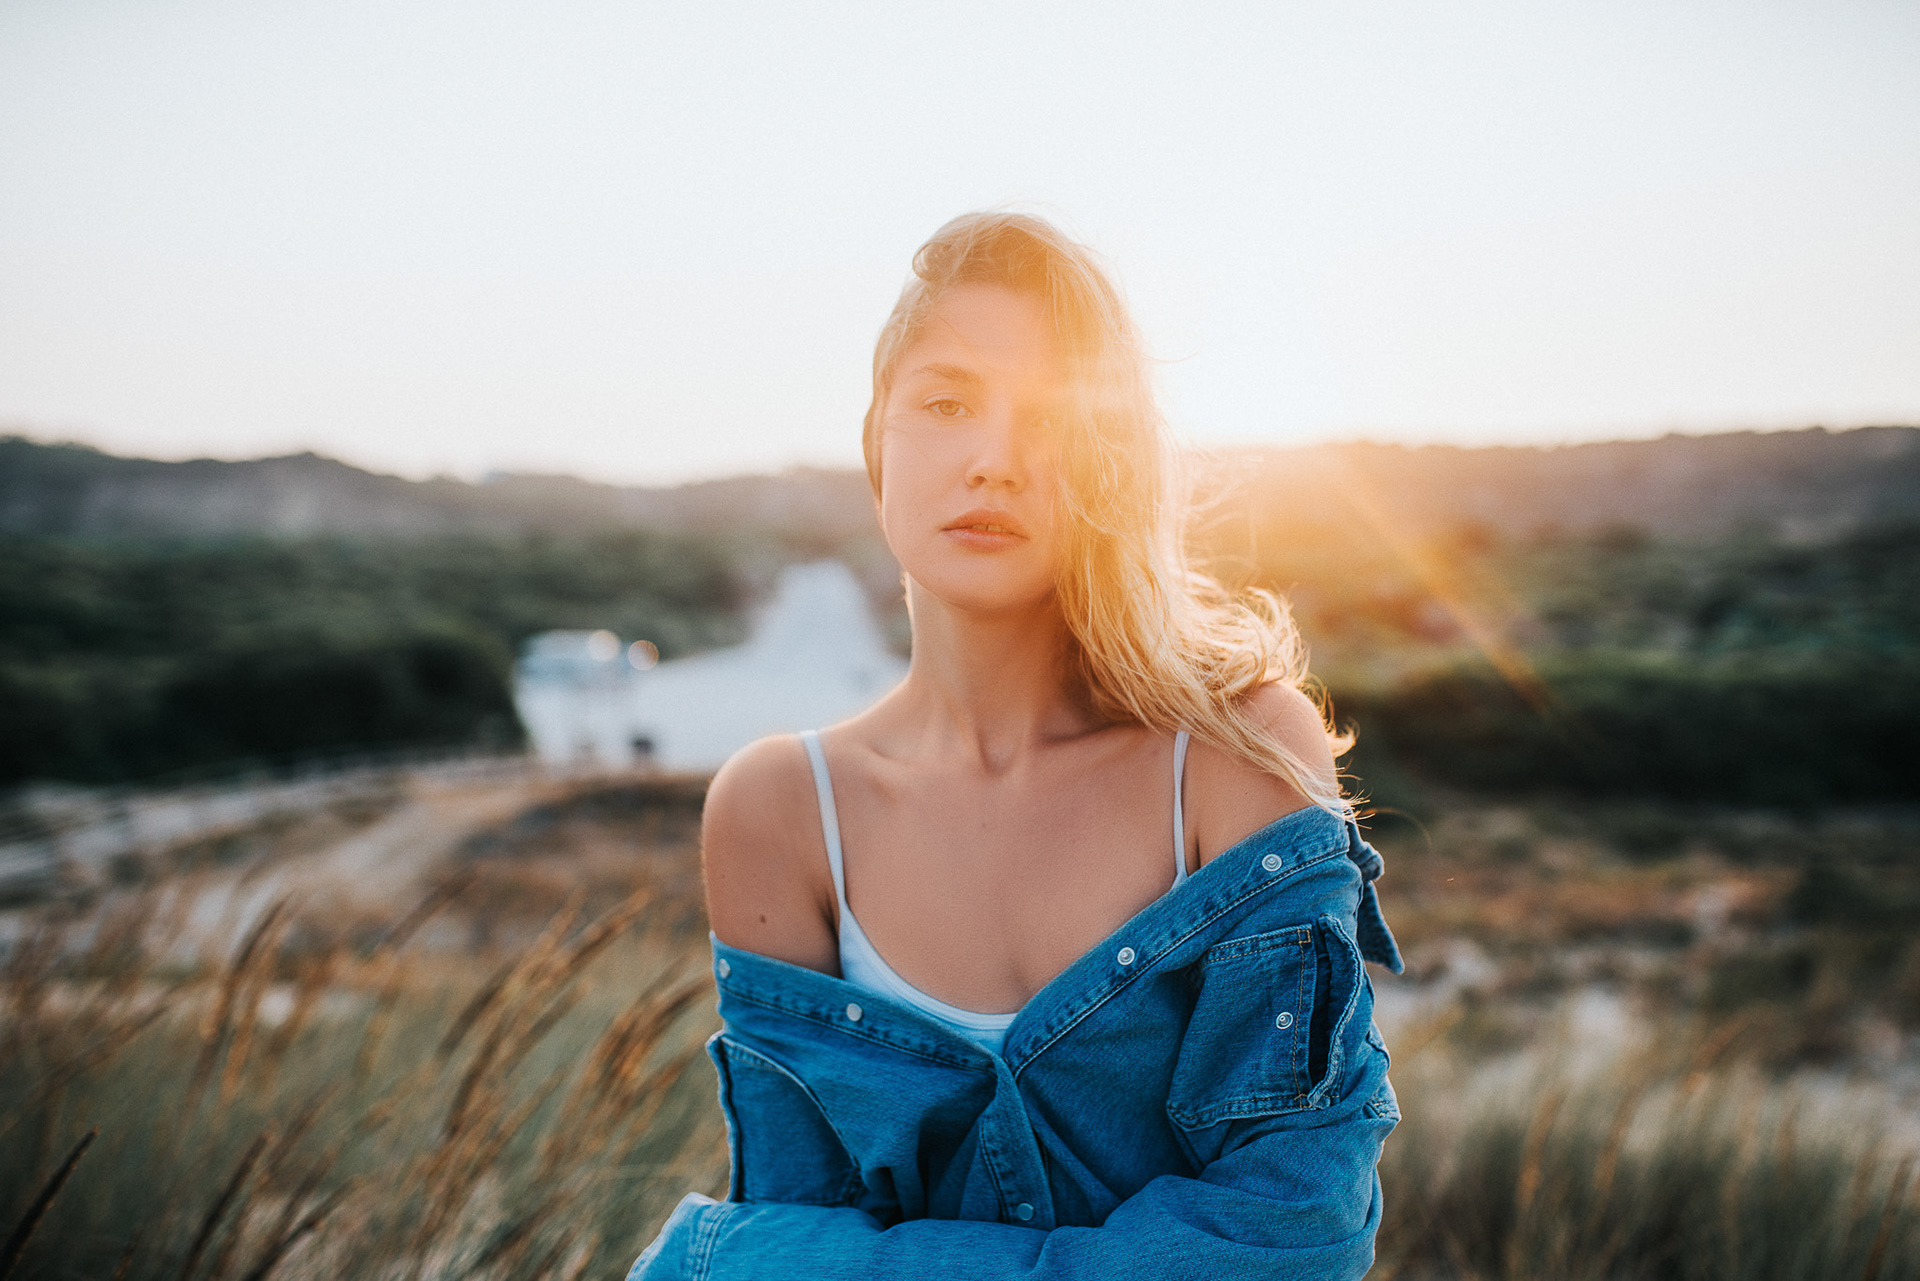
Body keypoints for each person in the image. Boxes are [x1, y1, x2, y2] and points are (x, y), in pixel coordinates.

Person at [629, 212, 1402, 1280]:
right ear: (876, 446)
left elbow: (1297, 1232)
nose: (993, 459)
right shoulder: (781, 813)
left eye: (1050, 417)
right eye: (945, 403)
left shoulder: (1236, 756)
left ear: (1110, 461)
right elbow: (791, 1239)